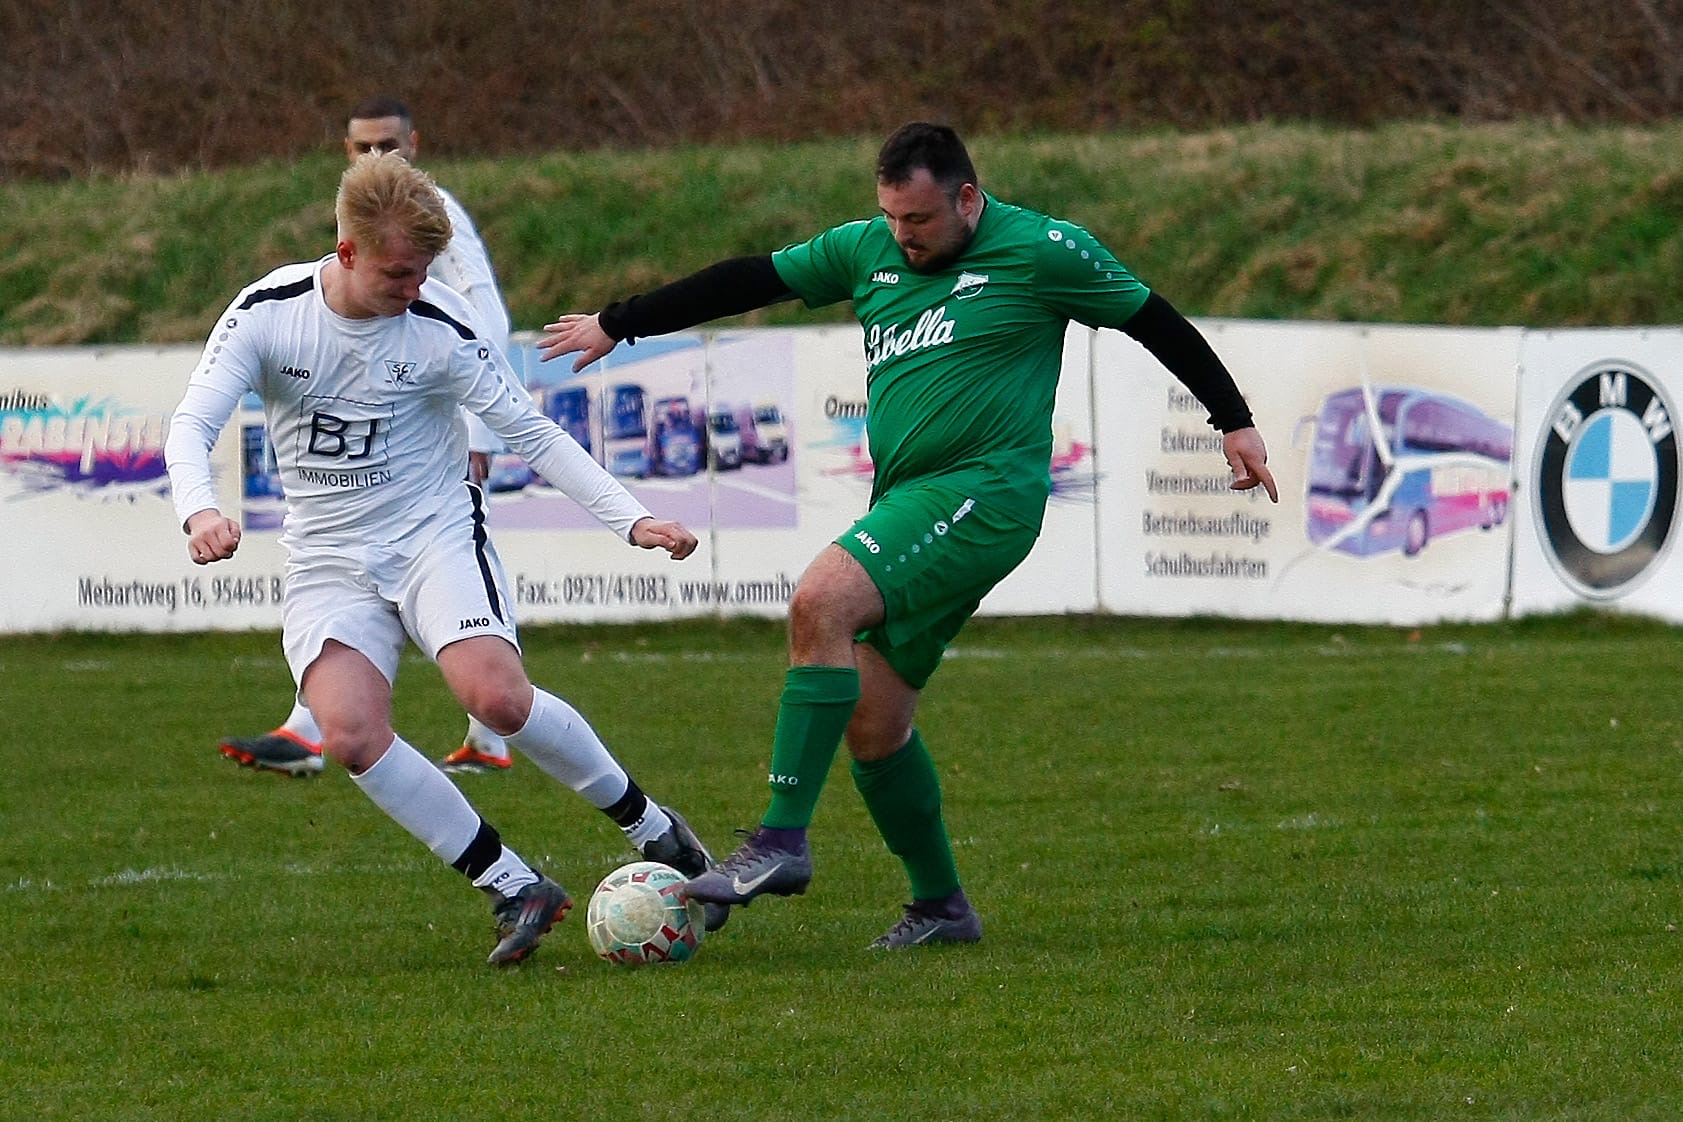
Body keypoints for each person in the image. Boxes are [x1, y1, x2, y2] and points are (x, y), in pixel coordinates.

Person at [538, 122, 1279, 949]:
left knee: (821, 599)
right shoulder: (867, 251)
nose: (902, 235)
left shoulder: (1045, 251)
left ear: (966, 199)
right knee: (873, 724)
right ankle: (941, 907)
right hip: (910, 496)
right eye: (890, 216)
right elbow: (750, 278)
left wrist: (1233, 421)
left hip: (986, 492)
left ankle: (779, 839)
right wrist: (619, 321)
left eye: (918, 220)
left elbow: (1155, 320)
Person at [166, 151, 726, 964]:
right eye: (398, 272)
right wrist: (199, 510)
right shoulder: (268, 313)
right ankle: (513, 886)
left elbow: (532, 432)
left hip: (434, 536)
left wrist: (631, 520)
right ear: (347, 250)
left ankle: (654, 829)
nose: (413, 286)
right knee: (351, 736)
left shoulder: (441, 324)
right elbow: (191, 424)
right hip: (327, 557)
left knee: (495, 699)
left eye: (425, 270)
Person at [219, 95, 518, 777]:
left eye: (388, 143)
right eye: (362, 147)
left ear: (416, 142)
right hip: (389, 425)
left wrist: (478, 425)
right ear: (345, 152)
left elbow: (483, 314)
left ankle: (485, 735)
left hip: (437, 421)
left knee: (454, 566)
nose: (376, 156)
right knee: (358, 560)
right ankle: (314, 725)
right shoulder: (358, 220)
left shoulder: (430, 211)